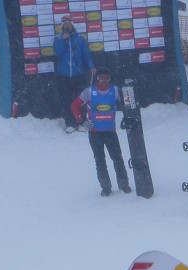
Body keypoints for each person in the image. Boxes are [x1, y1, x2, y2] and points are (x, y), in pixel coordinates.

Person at [70, 67, 133, 197]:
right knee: (100, 160)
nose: (104, 81)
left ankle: (123, 184)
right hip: (95, 133)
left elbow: (126, 104)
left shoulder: (114, 91)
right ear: (97, 79)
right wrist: (81, 121)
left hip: (110, 132)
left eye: (106, 78)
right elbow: (74, 105)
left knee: (117, 158)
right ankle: (106, 186)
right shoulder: (89, 92)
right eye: (101, 78)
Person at [54, 18, 95, 133]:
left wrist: (91, 66)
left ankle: (81, 122)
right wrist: (63, 40)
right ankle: (70, 123)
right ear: (63, 26)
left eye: (69, 24)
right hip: (64, 75)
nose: (67, 26)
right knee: (66, 100)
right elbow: (58, 53)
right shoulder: (57, 39)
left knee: (80, 99)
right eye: (65, 24)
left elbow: (86, 55)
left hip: (78, 74)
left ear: (72, 26)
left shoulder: (80, 39)